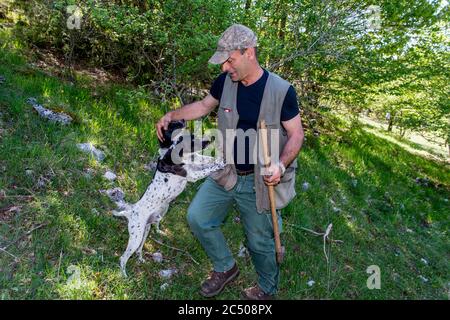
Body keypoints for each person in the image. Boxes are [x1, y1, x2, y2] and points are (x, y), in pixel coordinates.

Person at [155, 24, 304, 300]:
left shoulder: (282, 91)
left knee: (260, 242)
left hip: (260, 180)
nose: (224, 67)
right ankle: (226, 267)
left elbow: (296, 134)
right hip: (227, 170)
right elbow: (202, 106)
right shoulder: (225, 82)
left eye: (230, 60)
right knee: (198, 217)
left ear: (249, 53)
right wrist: (171, 115)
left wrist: (280, 165)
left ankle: (267, 289)